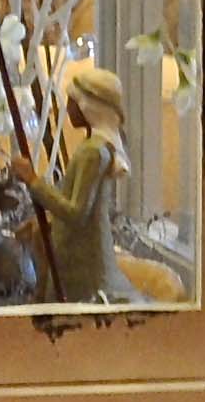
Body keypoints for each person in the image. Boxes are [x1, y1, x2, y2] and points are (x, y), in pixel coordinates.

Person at [11, 63, 147, 304]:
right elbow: (67, 193)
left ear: (89, 107)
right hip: (71, 254)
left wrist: (32, 179)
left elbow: (76, 212)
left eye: (72, 102)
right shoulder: (91, 147)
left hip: (83, 266)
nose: (68, 108)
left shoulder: (93, 152)